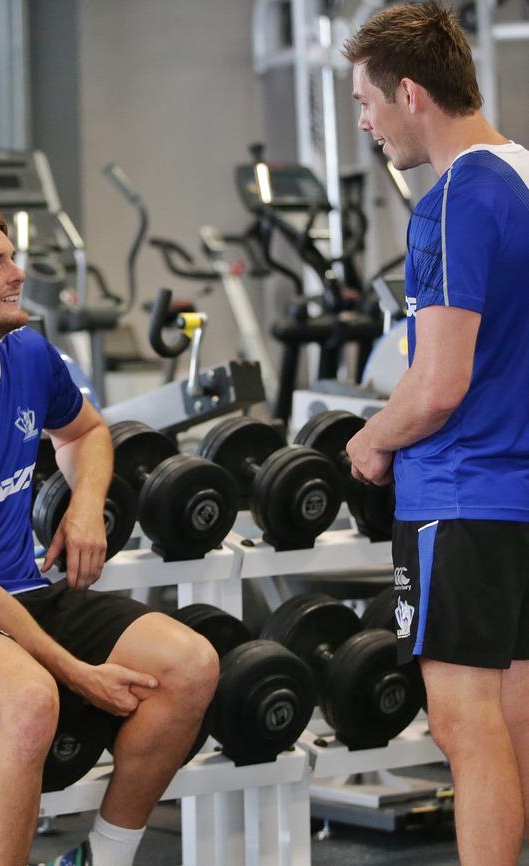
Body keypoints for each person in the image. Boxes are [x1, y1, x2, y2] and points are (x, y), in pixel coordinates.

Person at [0, 198, 219, 866]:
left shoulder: (29, 355)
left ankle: (104, 856)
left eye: (14, 257)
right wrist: (78, 675)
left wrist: (86, 504)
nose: (18, 273)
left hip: (21, 592)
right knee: (32, 699)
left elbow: (87, 431)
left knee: (191, 665)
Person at [342, 3, 529, 864]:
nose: (365, 124)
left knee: (466, 726)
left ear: (409, 93)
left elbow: (439, 386)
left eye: (364, 103)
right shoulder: (524, 174)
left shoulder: (452, 201)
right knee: (519, 720)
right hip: (517, 499)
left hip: (463, 495)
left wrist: (372, 438)